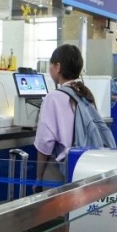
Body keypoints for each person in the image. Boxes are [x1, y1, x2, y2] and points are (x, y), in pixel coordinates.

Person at [35, 44, 95, 181]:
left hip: (60, 167)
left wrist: (38, 176)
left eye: (51, 64)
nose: (50, 68)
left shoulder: (53, 97)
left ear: (58, 67)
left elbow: (45, 143)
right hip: (84, 165)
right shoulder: (85, 93)